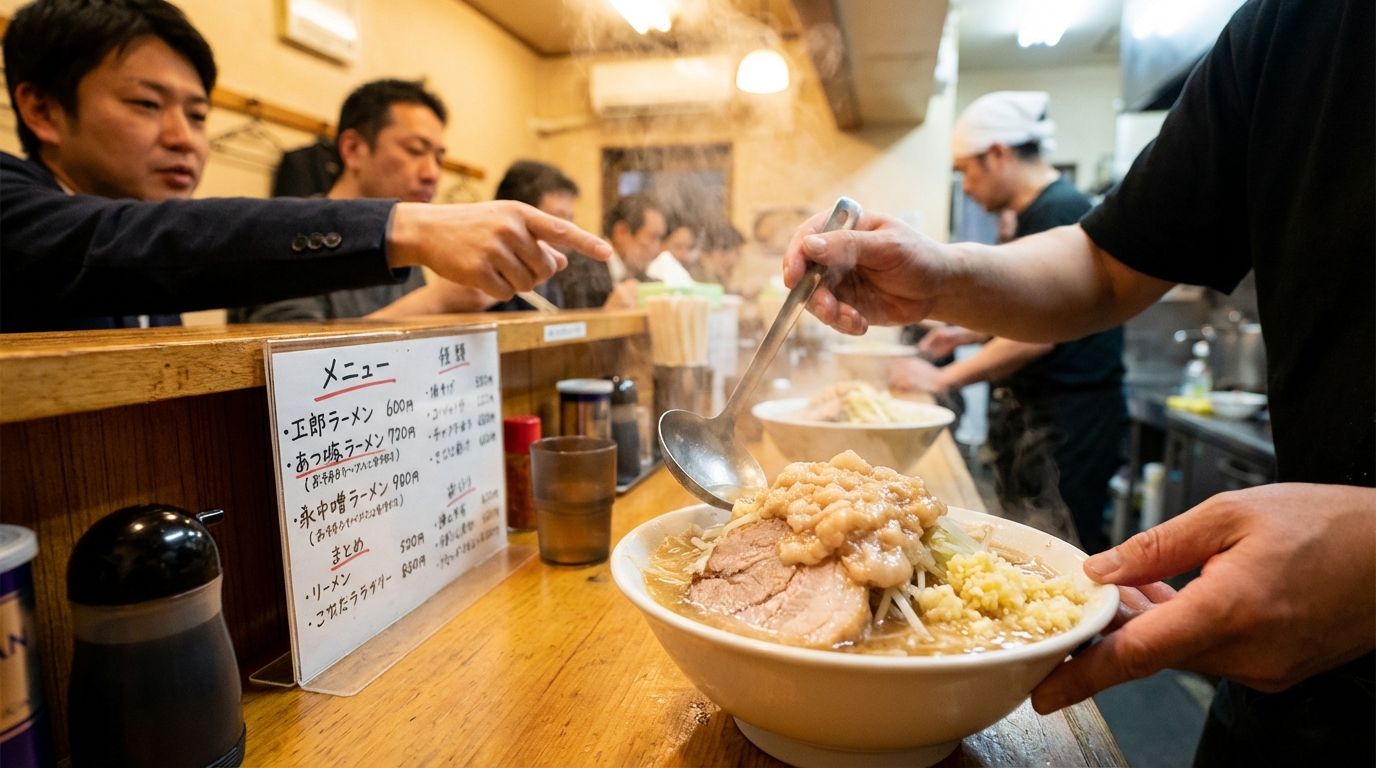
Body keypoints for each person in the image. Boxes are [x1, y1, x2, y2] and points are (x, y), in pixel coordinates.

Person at [782, 2, 1373, 764]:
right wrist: (943, 279)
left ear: (998, 156)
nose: (965, 177)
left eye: (965, 166)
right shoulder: (1290, 28)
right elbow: (1105, 262)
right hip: (1292, 700)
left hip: (1085, 419)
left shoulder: (1051, 197)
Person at [0, 0, 610, 333]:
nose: (184, 139)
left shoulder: (150, 256)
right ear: (43, 109)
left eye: (198, 114)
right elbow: (133, 246)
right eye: (145, 104)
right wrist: (405, 228)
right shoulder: (17, 205)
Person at [892, 91, 1126, 553]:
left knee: (1063, 553)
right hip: (1052, 416)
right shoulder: (1044, 209)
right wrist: (965, 332)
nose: (968, 187)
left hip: (1068, 420)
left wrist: (943, 376)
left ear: (997, 154)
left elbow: (1039, 337)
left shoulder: (1055, 211)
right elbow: (1030, 310)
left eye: (965, 171)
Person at [233, 79, 447, 323]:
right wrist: (435, 303)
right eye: (415, 150)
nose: (432, 174)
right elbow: (291, 356)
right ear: (353, 149)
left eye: (439, 159)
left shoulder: (402, 247)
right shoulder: (293, 238)